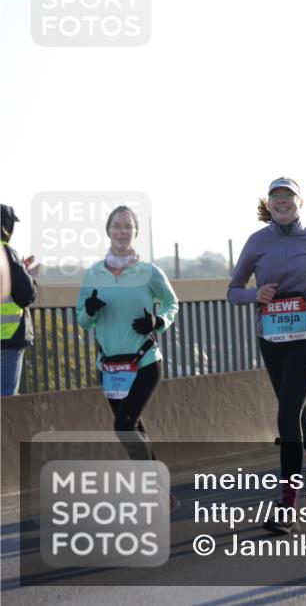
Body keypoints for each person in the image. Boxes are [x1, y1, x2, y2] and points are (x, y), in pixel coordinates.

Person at [228, 178, 306, 534]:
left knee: (287, 413)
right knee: (300, 420)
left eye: (288, 197)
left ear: (300, 202)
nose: (282, 202)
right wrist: (255, 295)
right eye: (276, 197)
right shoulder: (256, 241)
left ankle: (287, 506)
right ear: (270, 204)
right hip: (273, 335)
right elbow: (233, 291)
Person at [75, 205, 180, 509]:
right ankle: (163, 493)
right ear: (108, 231)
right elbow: (82, 320)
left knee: (124, 425)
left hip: (145, 363)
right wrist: (90, 311)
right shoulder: (94, 273)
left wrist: (158, 323)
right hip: (110, 367)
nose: (122, 232)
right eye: (116, 226)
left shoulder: (149, 272)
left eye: (128, 227)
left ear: (136, 233)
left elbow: (172, 304)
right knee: (134, 427)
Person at [1, 205, 40, 396]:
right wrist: (27, 274)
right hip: (7, 336)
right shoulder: (6, 253)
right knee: (6, 399)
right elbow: (26, 295)